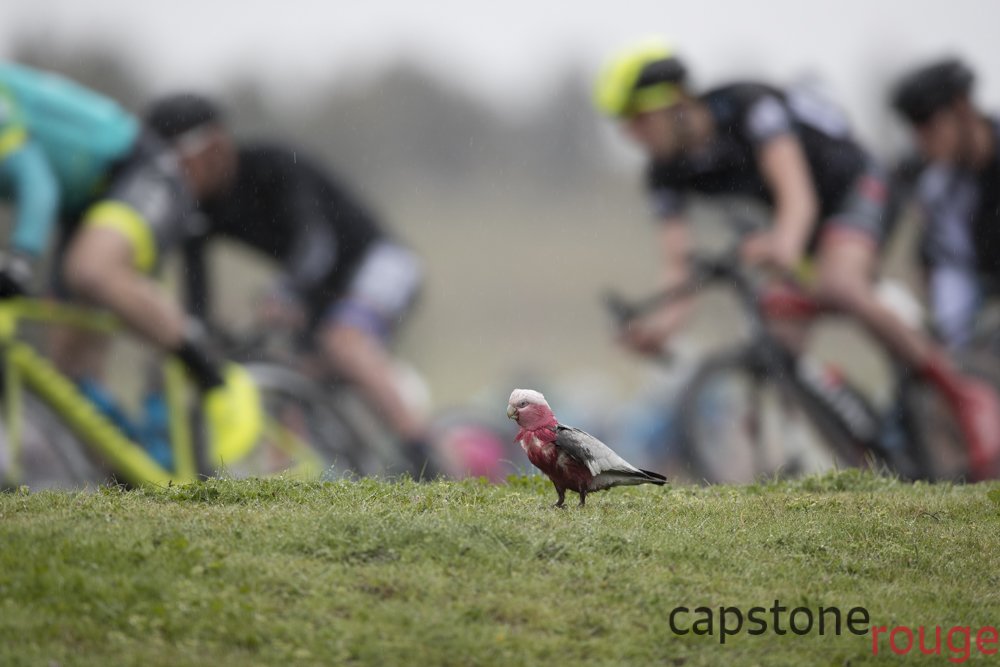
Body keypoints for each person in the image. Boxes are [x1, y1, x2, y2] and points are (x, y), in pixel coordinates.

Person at [593, 40, 1000, 480]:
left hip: (853, 188)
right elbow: (678, 267)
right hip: (800, 225)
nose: (631, 135)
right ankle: (840, 445)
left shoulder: (749, 107)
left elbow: (797, 198)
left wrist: (782, 245)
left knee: (840, 283)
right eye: (623, 127)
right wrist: (660, 330)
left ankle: (962, 393)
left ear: (675, 104)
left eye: (638, 120)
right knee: (778, 333)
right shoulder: (664, 171)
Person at [143, 93, 436, 476]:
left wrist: (285, 292)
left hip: (379, 261)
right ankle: (300, 474)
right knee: (289, 365)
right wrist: (199, 335)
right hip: (321, 285)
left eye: (178, 160)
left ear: (215, 144)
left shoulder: (275, 163)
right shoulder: (198, 207)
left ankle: (423, 455)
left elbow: (317, 244)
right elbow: (196, 291)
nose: (172, 176)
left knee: (343, 341)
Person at [0, 62, 259, 461]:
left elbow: (37, 185)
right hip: (82, 205)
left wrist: (21, 259)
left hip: (136, 169)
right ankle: (133, 464)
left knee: (91, 270)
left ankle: (217, 381)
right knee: (68, 373)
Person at [891, 58, 999, 353]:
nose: (921, 141)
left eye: (929, 126)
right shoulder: (934, 180)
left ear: (963, 108)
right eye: (915, 130)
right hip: (974, 320)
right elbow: (940, 263)